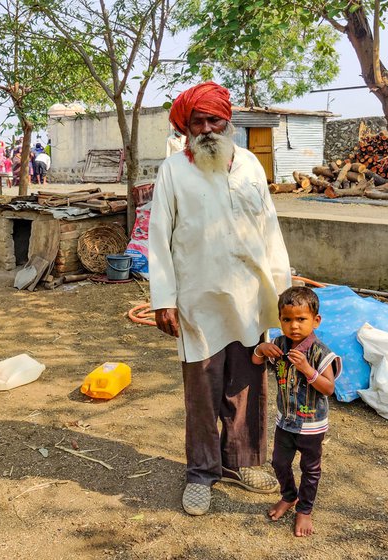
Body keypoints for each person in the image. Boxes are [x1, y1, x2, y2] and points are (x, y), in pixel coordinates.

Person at [148, 81, 291, 516]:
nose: (208, 128)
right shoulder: (172, 171)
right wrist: (163, 299)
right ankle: (201, 473)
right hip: (199, 303)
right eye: (199, 121)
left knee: (246, 386)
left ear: (228, 122)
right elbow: (158, 238)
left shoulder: (249, 165)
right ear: (186, 127)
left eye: (215, 120)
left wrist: (282, 295)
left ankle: (242, 463)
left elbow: (269, 229)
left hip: (249, 300)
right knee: (203, 394)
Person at [251, 287, 341, 537]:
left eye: (301, 319)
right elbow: (257, 361)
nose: (294, 326)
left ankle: (305, 509)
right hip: (285, 422)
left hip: (312, 426)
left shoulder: (320, 352)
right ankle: (289, 496)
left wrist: (307, 370)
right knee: (280, 462)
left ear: (315, 320)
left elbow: (329, 388)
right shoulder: (279, 344)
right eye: (287, 319)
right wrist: (260, 350)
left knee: (310, 469)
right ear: (280, 320)